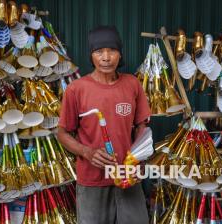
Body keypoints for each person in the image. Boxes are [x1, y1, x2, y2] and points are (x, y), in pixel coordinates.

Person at [57, 25, 151, 224]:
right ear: (91, 55)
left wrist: (136, 159)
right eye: (99, 51)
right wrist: (87, 152)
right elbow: (63, 133)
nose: (106, 57)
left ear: (120, 53)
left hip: (129, 178)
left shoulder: (132, 84)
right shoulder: (77, 89)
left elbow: (142, 127)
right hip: (92, 181)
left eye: (112, 51)